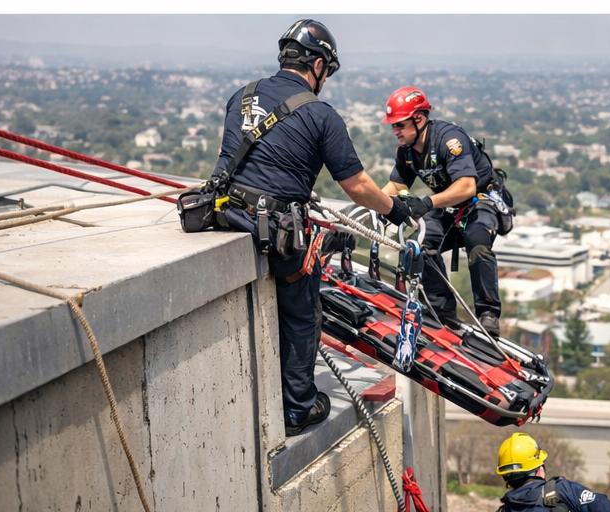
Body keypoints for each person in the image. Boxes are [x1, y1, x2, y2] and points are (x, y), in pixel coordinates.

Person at [211, 19, 412, 437]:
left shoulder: (242, 96)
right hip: (272, 228)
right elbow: (357, 186)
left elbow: (235, 157)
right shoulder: (321, 115)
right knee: (303, 306)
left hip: (226, 214)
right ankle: (298, 408)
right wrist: (393, 209)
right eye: (327, 72)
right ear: (318, 65)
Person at [380, 86, 506, 338]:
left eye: (400, 125)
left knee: (478, 240)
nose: (395, 131)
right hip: (448, 206)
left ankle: (488, 314)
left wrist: (426, 203)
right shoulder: (407, 151)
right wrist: (365, 207)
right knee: (418, 245)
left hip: (481, 199)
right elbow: (395, 186)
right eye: (393, 126)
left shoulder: (449, 140)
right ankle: (442, 310)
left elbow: (467, 187)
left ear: (419, 119)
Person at [495, 432, 610, 512]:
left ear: (506, 477)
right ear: (540, 470)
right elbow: (605, 507)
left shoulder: (504, 510)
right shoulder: (563, 491)